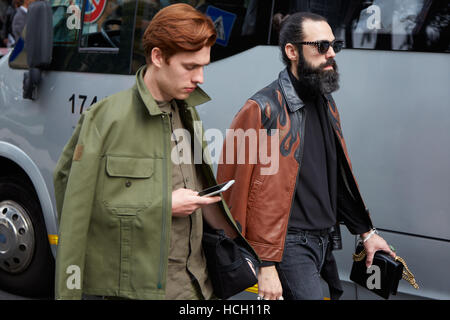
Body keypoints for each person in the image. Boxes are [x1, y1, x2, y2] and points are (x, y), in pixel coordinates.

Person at [54, 3, 256, 300]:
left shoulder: (188, 112)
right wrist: (163, 206)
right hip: (140, 292)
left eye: (203, 66)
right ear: (158, 56)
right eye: (190, 67)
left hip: (198, 287)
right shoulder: (105, 119)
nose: (200, 78)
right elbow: (75, 210)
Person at [217, 12, 396, 300]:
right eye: (321, 46)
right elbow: (232, 194)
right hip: (288, 245)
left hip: (324, 240)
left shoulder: (326, 101)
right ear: (292, 51)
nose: (332, 53)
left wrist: (367, 233)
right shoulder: (260, 109)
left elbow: (336, 177)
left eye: (334, 44)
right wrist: (265, 263)